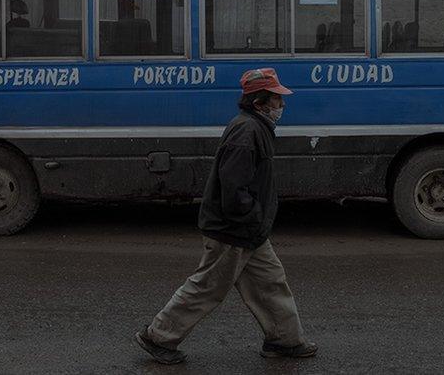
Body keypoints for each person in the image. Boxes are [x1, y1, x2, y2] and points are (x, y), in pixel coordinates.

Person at [134, 68, 317, 365]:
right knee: (208, 287)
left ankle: (284, 341)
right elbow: (235, 190)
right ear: (259, 102)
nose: (282, 105)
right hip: (233, 230)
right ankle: (158, 337)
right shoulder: (247, 132)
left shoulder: (255, 127)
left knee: (270, 282)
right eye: (276, 100)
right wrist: (253, 213)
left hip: (249, 229)